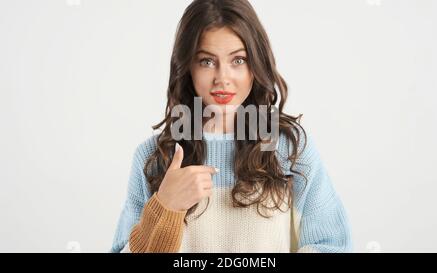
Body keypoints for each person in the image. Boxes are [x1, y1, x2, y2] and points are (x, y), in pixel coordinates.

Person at [111, 0, 352, 253]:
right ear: (187, 68)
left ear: (256, 64)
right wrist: (165, 206)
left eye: (238, 60)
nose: (222, 78)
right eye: (206, 61)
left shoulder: (288, 147)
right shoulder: (154, 157)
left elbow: (333, 246)